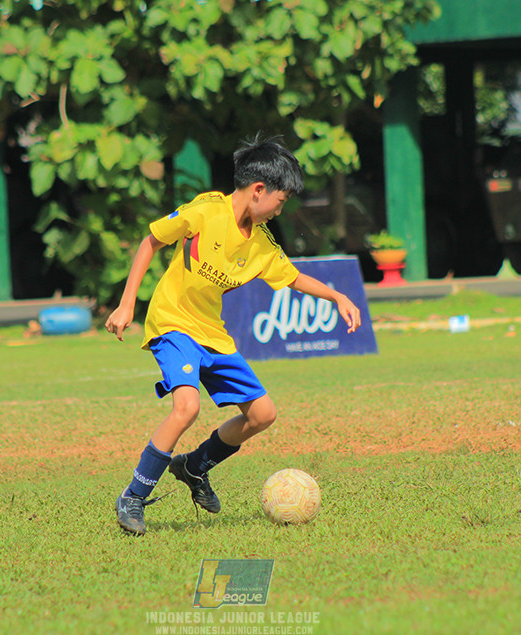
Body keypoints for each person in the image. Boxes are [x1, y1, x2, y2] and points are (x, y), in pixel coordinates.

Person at [105, 135, 363, 535]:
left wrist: (335, 295)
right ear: (259, 190)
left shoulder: (260, 243)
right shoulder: (207, 211)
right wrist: (127, 304)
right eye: (280, 201)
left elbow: (292, 276)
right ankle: (133, 496)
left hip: (214, 334)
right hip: (173, 323)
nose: (280, 210)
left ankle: (194, 466)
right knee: (187, 407)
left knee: (263, 414)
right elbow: (151, 241)